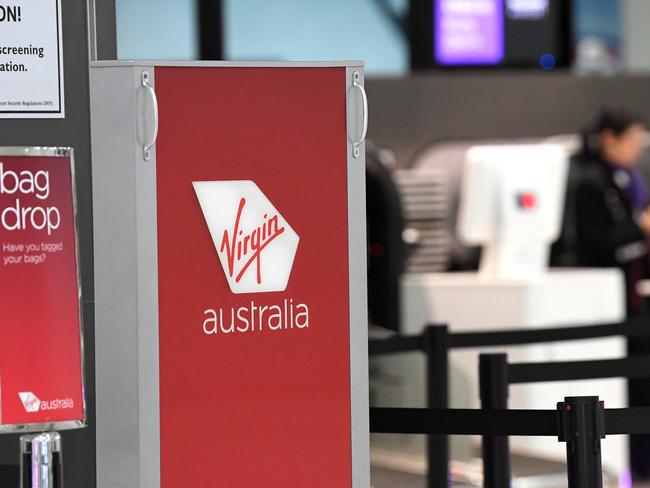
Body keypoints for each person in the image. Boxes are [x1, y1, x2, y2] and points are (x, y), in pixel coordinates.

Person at [574, 107, 650, 480]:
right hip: (609, 298)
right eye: (634, 137)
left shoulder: (632, 178)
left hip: (636, 294)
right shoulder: (589, 181)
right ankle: (634, 464)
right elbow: (597, 242)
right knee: (630, 384)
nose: (638, 146)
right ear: (609, 138)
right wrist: (640, 228)